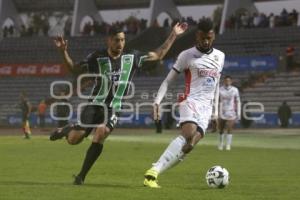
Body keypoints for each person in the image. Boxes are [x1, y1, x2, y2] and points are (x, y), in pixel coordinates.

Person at [49, 23, 188, 185]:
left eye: (122, 40)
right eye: (116, 40)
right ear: (109, 41)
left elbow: (158, 55)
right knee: (74, 140)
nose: (120, 44)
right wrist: (63, 51)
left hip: (114, 106)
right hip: (94, 104)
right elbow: (74, 69)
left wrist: (174, 34)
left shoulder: (132, 57)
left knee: (101, 132)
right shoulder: (96, 57)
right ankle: (66, 130)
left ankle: (81, 176)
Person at [143, 18, 225, 188]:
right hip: (190, 100)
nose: (205, 41)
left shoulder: (220, 56)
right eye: (202, 37)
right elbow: (167, 81)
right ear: (197, 36)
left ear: (213, 36)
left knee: (188, 147)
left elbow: (216, 86)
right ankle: (153, 172)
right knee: (189, 133)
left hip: (206, 109)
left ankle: (154, 173)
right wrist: (157, 102)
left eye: (209, 37)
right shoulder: (186, 55)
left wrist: (215, 113)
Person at [218, 76, 241, 151]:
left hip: (231, 112)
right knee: (221, 129)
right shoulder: (220, 89)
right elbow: (217, 101)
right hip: (222, 111)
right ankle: (221, 143)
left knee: (229, 128)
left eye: (229, 81)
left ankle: (228, 145)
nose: (227, 82)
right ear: (224, 81)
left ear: (231, 81)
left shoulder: (235, 90)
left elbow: (238, 101)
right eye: (226, 80)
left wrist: (238, 113)